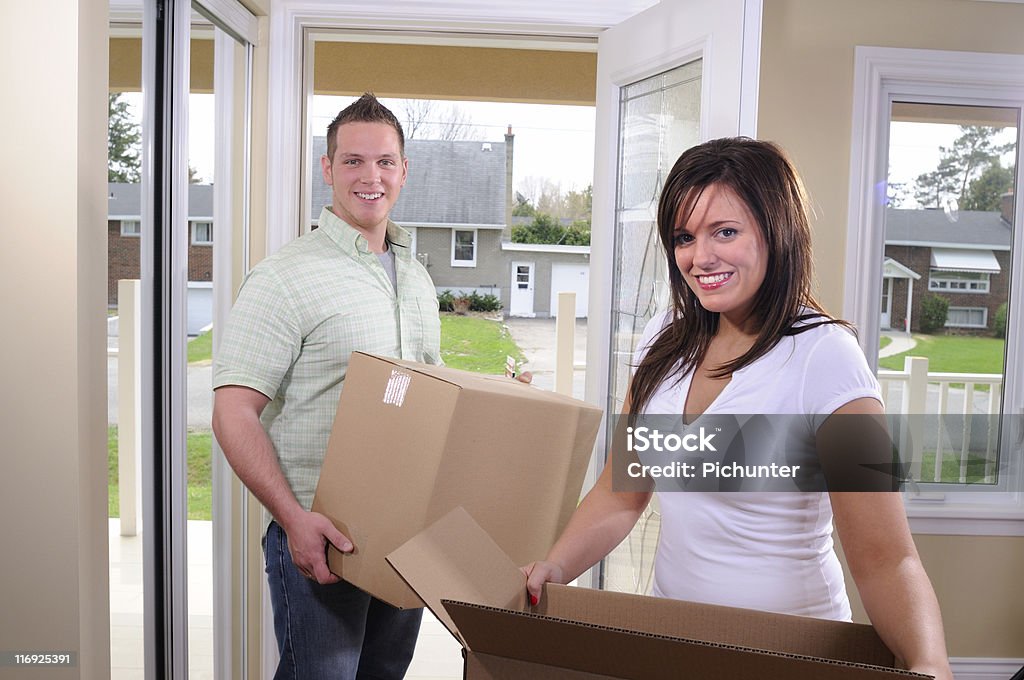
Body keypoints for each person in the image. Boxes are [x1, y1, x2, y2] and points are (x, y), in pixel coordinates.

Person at [524, 137, 953, 679]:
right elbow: (621, 493)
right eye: (684, 237)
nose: (700, 258)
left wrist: (928, 661)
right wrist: (557, 567)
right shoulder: (664, 340)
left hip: (790, 651)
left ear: (777, 232)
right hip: (675, 642)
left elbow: (885, 557)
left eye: (725, 231)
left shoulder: (826, 358)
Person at [211, 93, 441, 679]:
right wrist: (292, 519)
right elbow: (234, 412)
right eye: (354, 161)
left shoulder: (416, 279)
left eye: (386, 162)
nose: (372, 177)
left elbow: (431, 397)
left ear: (404, 170)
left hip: (404, 538)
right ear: (328, 169)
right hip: (322, 537)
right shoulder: (284, 278)